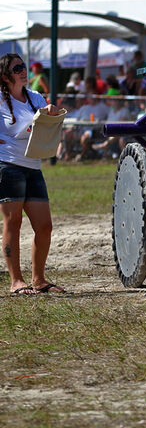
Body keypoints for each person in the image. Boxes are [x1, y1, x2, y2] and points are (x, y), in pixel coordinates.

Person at [0, 54, 64, 295]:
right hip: (8, 165)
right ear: (5, 76)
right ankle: (17, 281)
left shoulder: (34, 97)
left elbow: (46, 124)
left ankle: (39, 279)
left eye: (23, 66)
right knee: (13, 222)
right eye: (17, 69)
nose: (23, 71)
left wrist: (52, 112)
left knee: (44, 226)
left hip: (33, 166)